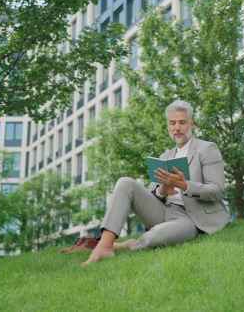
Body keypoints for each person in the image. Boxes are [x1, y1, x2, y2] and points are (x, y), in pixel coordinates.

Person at [82, 100, 230, 265]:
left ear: (192, 124)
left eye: (182, 122)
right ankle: (104, 246)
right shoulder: (164, 157)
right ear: (168, 125)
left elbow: (217, 191)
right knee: (125, 182)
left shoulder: (207, 149)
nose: (177, 128)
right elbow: (153, 192)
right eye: (173, 123)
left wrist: (185, 185)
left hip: (190, 218)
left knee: (158, 236)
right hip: (163, 210)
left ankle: (127, 245)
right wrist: (162, 191)